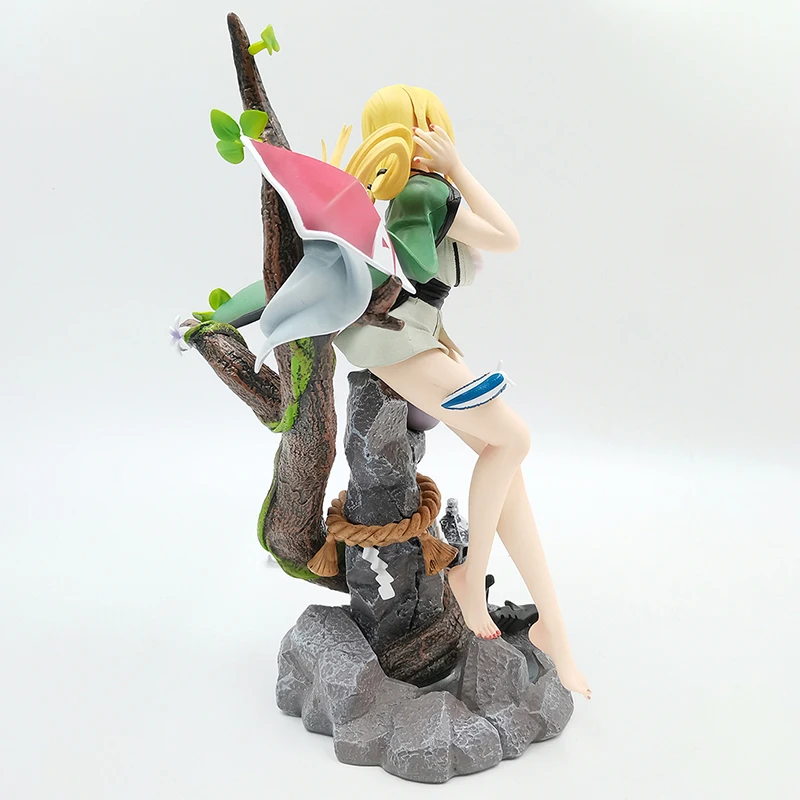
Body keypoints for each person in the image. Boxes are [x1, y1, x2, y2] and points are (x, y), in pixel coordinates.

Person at [329, 85, 591, 699]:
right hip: (397, 345)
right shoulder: (424, 192)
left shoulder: (413, 194)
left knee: (509, 471)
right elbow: (506, 236)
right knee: (514, 439)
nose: (430, 137)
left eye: (433, 127)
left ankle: (555, 630)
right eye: (417, 127)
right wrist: (458, 168)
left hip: (423, 340)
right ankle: (472, 576)